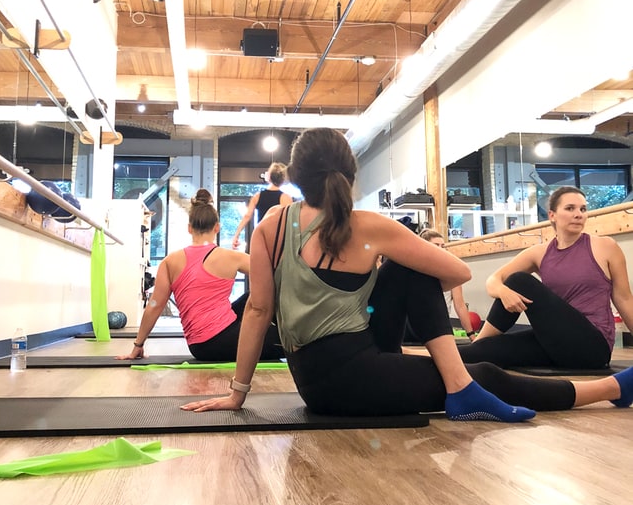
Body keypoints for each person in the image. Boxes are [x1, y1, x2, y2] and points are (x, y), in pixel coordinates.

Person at [182, 129, 633, 420]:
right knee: (485, 372)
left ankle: (458, 385)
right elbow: (455, 271)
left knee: (416, 282)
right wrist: (381, 271)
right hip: (347, 381)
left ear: (297, 178)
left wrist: (238, 392)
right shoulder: (370, 226)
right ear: (350, 174)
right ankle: (610, 388)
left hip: (312, 374)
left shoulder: (270, 227)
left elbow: (259, 311)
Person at [462, 186, 633, 370]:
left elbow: (624, 299)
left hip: (593, 347)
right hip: (556, 343)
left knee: (519, 281)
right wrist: (503, 292)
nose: (578, 214)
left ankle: (479, 341)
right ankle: (477, 345)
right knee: (475, 354)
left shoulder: (605, 246)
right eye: (570, 208)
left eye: (583, 209)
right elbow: (493, 280)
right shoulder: (539, 253)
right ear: (552, 215)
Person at [116, 189, 282, 363]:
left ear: (189, 228)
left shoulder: (170, 262)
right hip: (222, 340)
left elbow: (154, 306)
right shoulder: (233, 257)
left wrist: (138, 345)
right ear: (217, 227)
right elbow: (275, 272)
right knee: (292, 340)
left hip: (198, 346)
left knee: (252, 296)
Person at [419, 228, 479, 339]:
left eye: (443, 246)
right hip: (417, 323)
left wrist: (471, 334)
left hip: (440, 324)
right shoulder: (416, 269)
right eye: (436, 245)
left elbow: (460, 305)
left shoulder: (451, 272)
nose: (441, 249)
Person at [231, 162, 292, 248]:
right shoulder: (285, 198)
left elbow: (247, 216)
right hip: (278, 238)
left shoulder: (257, 196)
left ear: (269, 178)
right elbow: (291, 221)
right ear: (283, 179)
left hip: (261, 236)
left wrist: (236, 235)